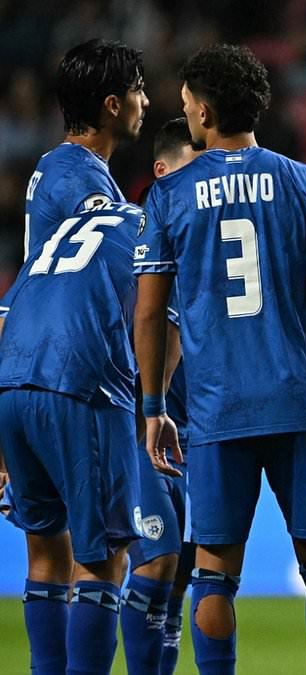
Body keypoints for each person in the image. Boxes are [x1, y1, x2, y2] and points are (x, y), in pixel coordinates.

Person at [133, 44, 306, 675]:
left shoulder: (169, 195)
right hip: (298, 400)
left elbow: (150, 314)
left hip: (217, 409)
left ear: (205, 111)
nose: (186, 111)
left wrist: (154, 406)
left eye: (187, 102)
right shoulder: (304, 182)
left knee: (215, 571)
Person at [0, 200, 147, 674]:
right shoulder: (157, 226)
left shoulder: (61, 233)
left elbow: (3, 318)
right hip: (81, 386)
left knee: (45, 553)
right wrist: (154, 410)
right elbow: (160, 320)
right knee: (102, 560)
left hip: (11, 386)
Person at [122, 118, 202, 675]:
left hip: (200, 427)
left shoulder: (210, 240)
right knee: (156, 559)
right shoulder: (131, 237)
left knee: (181, 574)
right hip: (139, 427)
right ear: (162, 172)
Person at [25, 39, 147, 259]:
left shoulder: (64, 163)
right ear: (113, 105)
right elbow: (114, 250)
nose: (145, 101)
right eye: (138, 90)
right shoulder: (78, 175)